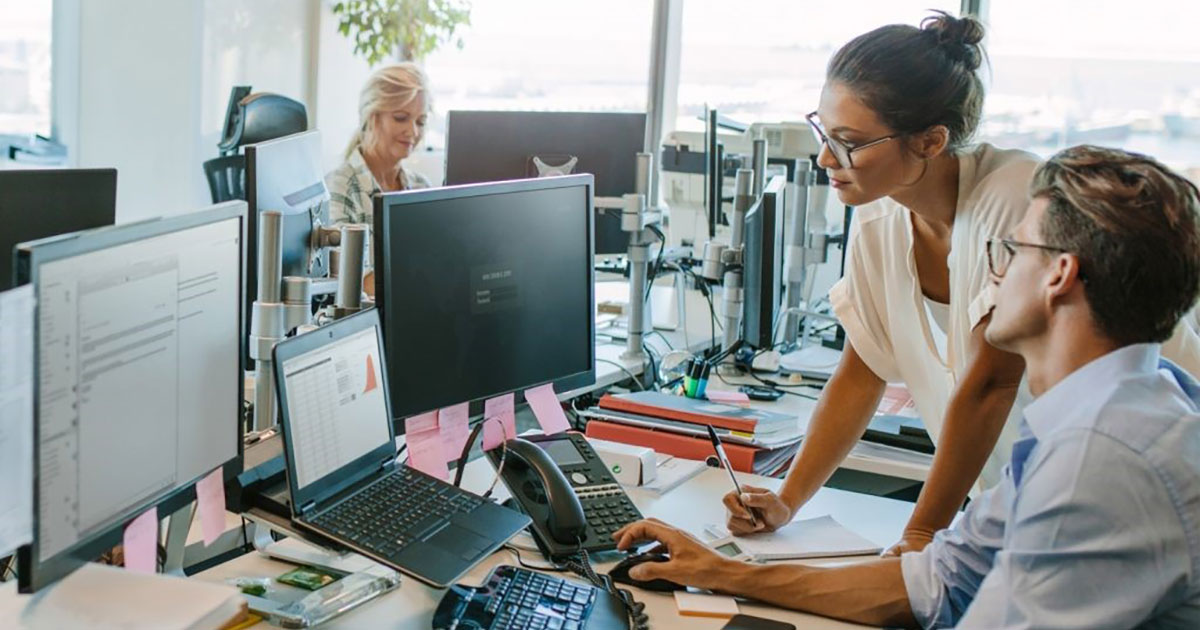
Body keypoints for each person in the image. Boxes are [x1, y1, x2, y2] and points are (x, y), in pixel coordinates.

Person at [615, 145, 1200, 628]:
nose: (994, 268)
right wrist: (721, 572)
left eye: (1012, 250)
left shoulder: (1103, 461)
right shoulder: (1098, 420)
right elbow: (936, 582)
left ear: (1059, 275)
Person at [723, 12, 1200, 554]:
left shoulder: (1018, 201)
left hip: (1139, 487)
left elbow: (990, 385)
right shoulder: (879, 218)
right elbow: (861, 373)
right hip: (1029, 501)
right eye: (823, 132)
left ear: (931, 141)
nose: (826, 158)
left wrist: (921, 538)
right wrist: (789, 499)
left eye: (849, 141)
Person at [325, 63, 432, 295]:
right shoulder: (340, 187)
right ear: (372, 117)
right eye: (401, 118)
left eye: (421, 121)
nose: (413, 132)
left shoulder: (422, 187)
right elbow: (352, 285)